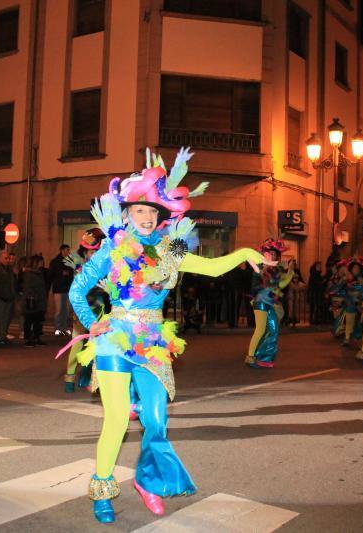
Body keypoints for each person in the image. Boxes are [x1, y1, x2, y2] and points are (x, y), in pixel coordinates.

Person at [68, 147, 272, 523]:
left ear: (161, 216)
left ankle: (148, 481)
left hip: (153, 343)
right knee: (115, 419)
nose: (146, 217)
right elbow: (77, 290)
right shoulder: (112, 247)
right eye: (140, 210)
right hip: (115, 339)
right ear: (127, 212)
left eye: (152, 211)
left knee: (157, 420)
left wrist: (244, 250)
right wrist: (91, 321)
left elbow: (211, 267)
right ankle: (102, 487)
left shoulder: (170, 250)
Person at [63, 229, 108, 391]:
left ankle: (91, 377)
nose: (93, 255)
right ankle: (69, 379)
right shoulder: (82, 269)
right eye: (90, 252)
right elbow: (77, 292)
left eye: (96, 252)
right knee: (77, 342)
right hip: (82, 311)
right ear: (85, 252)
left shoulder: (104, 266)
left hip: (99, 309)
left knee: (98, 344)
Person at [245, 238, 293, 368]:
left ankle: (264, 357)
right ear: (263, 255)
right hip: (260, 302)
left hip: (269, 303)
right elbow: (249, 258)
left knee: (274, 329)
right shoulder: (259, 268)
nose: (271, 255)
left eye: (273, 254)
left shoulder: (274, 271)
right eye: (268, 253)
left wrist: (289, 275)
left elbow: (278, 286)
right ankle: (250, 356)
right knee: (260, 330)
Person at [21, 255, 47, 347]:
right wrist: (34, 297)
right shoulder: (29, 274)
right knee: (30, 319)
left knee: (38, 320)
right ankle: (28, 338)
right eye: (40, 262)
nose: (42, 264)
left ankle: (36, 336)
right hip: (32, 300)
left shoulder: (39, 273)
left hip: (40, 300)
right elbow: (28, 288)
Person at [0, 250, 16, 346]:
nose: (7, 260)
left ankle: (2, 336)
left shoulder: (9, 270)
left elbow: (12, 283)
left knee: (6, 319)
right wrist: (3, 295)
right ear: (0, 259)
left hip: (8, 298)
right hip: (1, 298)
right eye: (5, 258)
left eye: (8, 258)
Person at [49, 244, 74, 335]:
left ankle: (64, 328)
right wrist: (61, 273)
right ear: (62, 250)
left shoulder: (70, 261)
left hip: (67, 289)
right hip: (59, 289)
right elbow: (51, 274)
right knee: (59, 310)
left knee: (66, 310)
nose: (69, 252)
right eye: (67, 250)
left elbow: (71, 274)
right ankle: (58, 328)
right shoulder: (55, 262)